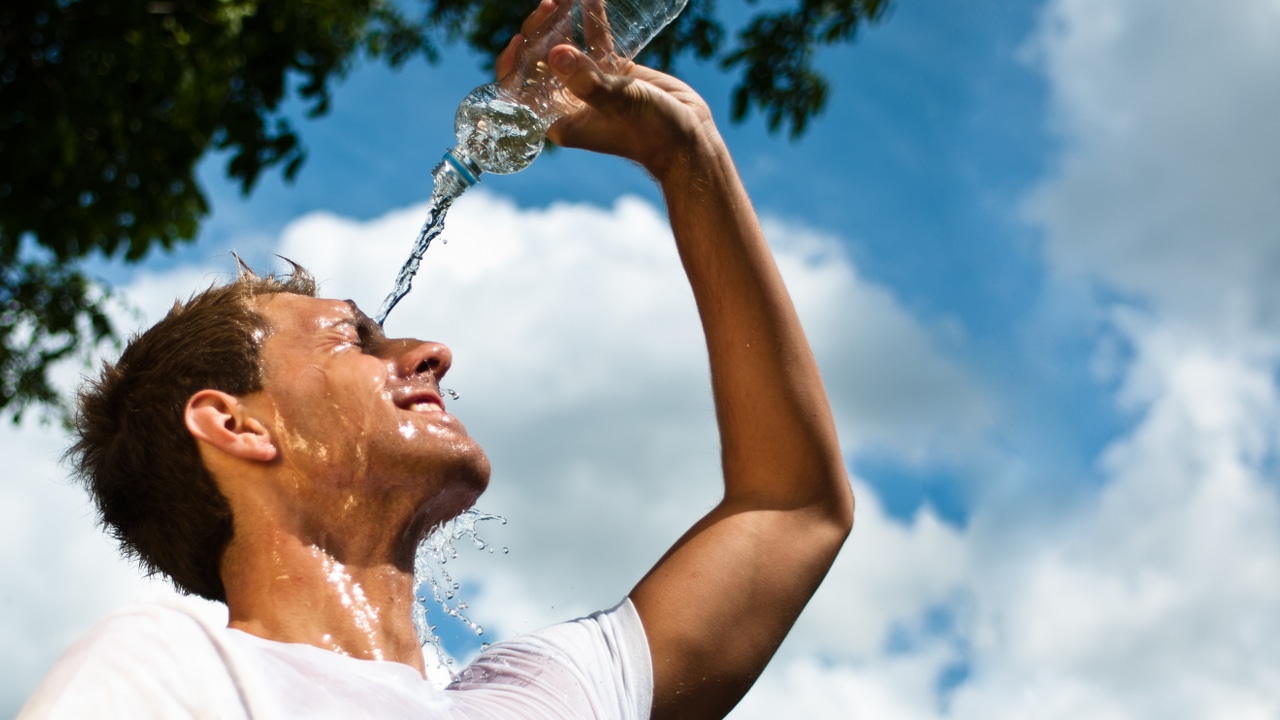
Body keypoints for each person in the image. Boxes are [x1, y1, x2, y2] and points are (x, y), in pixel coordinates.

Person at [21, 1, 853, 717]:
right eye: (354, 339)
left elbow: (793, 509)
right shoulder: (177, 672)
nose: (432, 353)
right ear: (235, 425)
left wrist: (689, 155)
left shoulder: (544, 693)